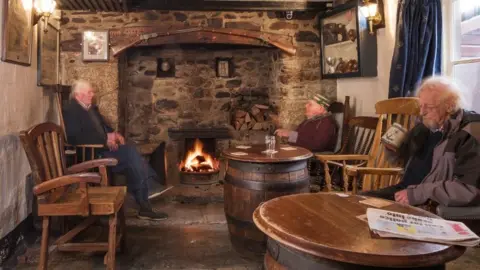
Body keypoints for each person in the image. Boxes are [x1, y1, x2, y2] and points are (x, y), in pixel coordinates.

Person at [362, 76, 480, 207]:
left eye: (428, 107)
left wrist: (418, 193)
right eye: (420, 106)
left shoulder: (472, 130)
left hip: (430, 204)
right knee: (358, 201)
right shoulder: (424, 127)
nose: (422, 112)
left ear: (450, 106)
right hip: (404, 192)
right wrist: (392, 150)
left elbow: (468, 189)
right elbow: (402, 162)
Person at [62, 79, 168, 221]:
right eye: (89, 92)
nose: (92, 94)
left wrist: (113, 134)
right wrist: (105, 141)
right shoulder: (71, 111)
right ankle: (148, 195)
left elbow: (103, 127)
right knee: (131, 155)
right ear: (78, 95)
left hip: (102, 149)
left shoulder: (90, 108)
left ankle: (146, 199)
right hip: (91, 154)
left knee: (132, 154)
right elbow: (76, 138)